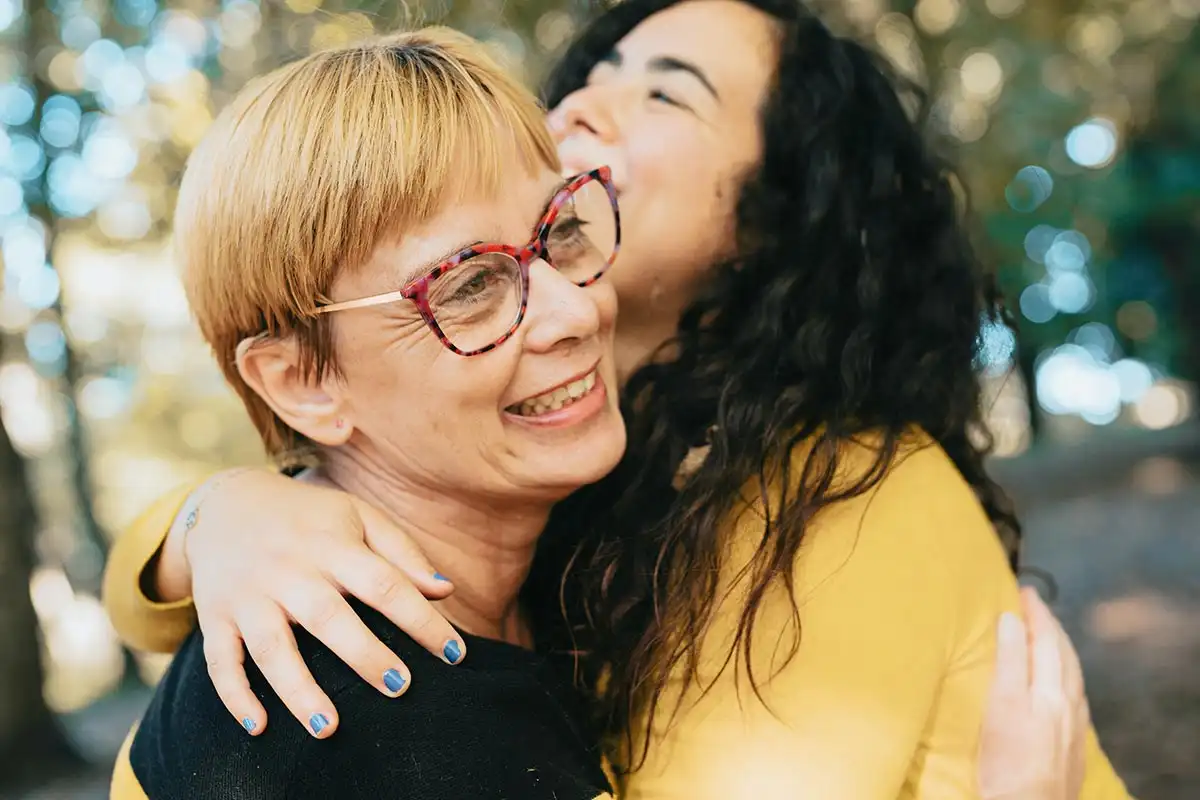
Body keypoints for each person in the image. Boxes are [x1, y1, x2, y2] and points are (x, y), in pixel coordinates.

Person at [104, 1, 1133, 797]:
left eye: (667, 92)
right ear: (306, 382)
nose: (590, 103)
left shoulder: (844, 487)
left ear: (778, 216)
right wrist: (217, 518)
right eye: (472, 283)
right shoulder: (398, 635)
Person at [110, 27, 628, 799]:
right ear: (302, 383)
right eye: (468, 286)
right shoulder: (368, 722)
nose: (573, 314)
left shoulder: (564, 556)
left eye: (561, 233)